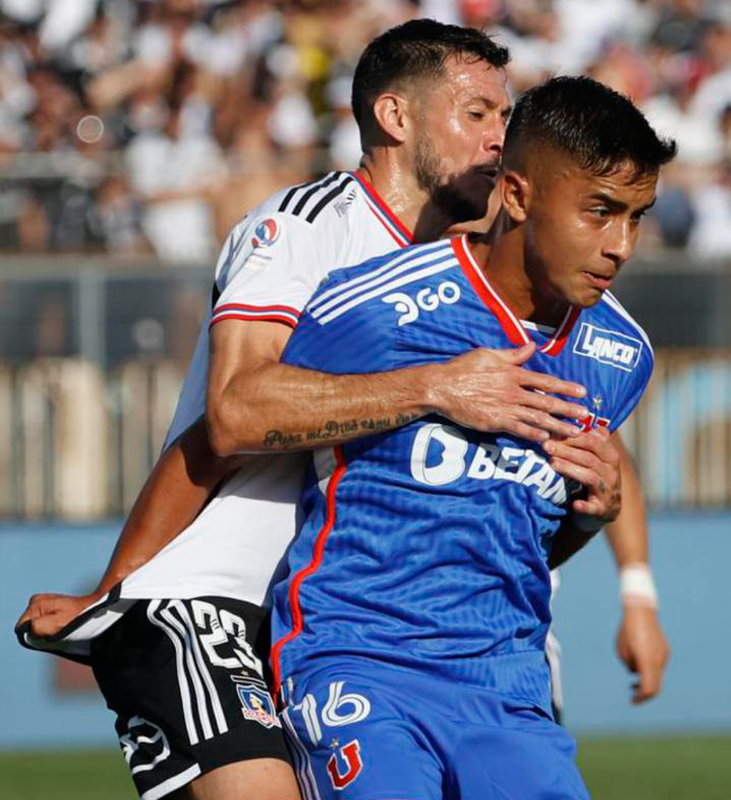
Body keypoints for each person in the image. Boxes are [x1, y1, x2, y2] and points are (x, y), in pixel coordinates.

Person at [16, 21, 663, 800]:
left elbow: (557, 467)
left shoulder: (505, 277)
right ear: (397, 118)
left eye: (506, 115)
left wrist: (621, 563)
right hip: (215, 601)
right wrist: (115, 592)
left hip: (379, 619)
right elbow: (229, 420)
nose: (501, 137)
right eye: (479, 114)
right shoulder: (307, 231)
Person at [272, 75, 675, 800]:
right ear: (517, 195)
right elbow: (241, 416)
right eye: (600, 212)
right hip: (362, 660)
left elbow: (533, 533)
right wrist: (132, 583)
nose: (620, 246)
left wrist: (597, 514)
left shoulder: (622, 354)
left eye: (637, 218)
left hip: (504, 683)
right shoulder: (380, 306)